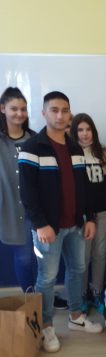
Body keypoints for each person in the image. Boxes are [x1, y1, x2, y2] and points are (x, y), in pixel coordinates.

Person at [18, 91, 103, 353]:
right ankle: (45, 326)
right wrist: (40, 224)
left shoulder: (76, 148)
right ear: (43, 113)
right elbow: (27, 192)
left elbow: (84, 188)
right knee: (47, 278)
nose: (60, 115)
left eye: (65, 110)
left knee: (78, 269)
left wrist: (89, 218)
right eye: (54, 110)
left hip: (76, 225)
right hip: (48, 228)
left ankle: (76, 316)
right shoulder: (32, 147)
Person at [71, 113, 106, 313]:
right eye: (80, 130)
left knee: (100, 254)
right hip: (82, 215)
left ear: (94, 131)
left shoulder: (102, 152)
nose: (85, 134)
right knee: (83, 257)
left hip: (103, 212)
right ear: (75, 132)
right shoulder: (71, 153)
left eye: (88, 129)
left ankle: (97, 292)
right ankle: (82, 295)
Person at [0, 87, 36, 292]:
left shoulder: (34, 139)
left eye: (23, 109)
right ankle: (30, 296)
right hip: (12, 210)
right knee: (23, 257)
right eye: (14, 109)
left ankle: (44, 295)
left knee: (44, 257)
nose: (19, 114)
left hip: (36, 209)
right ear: (2, 109)